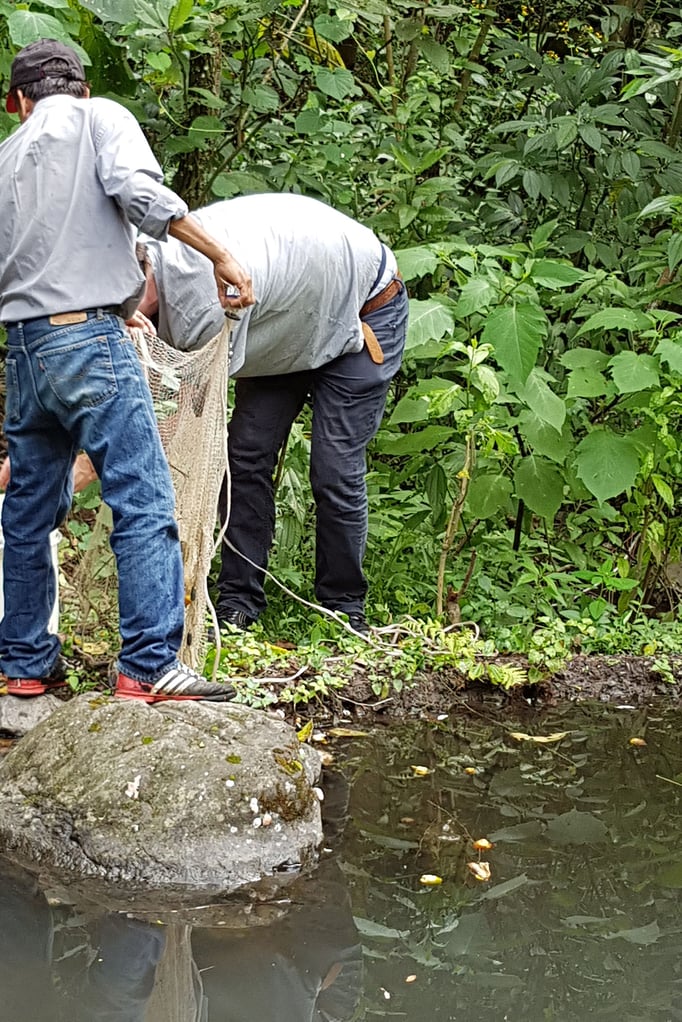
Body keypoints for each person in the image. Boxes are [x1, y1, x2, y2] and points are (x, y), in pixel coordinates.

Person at [0, 39, 254, 701]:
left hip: (26, 352)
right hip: (90, 346)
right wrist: (221, 255)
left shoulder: (5, 156)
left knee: (27, 512)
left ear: (16, 103)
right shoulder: (100, 117)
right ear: (81, 89)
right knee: (143, 498)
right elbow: (139, 195)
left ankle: (24, 664)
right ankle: (148, 666)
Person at [136, 193, 409, 635]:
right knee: (244, 455)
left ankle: (344, 608)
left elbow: (187, 410)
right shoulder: (131, 249)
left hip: (362, 309)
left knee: (334, 469)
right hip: (283, 324)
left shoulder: (201, 303)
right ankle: (238, 602)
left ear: (146, 270)